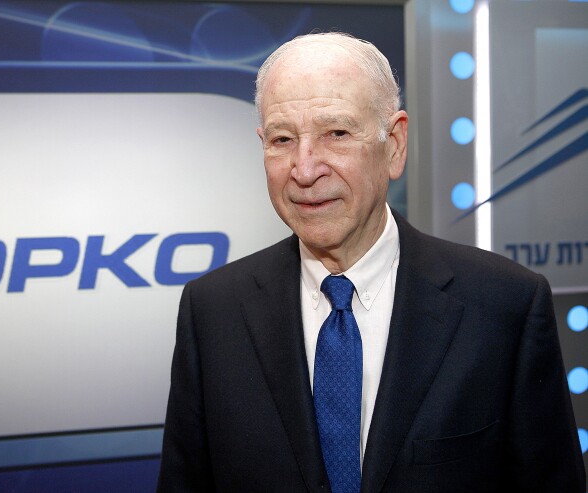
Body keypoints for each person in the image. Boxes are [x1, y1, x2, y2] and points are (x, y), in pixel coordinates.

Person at [156, 32, 585, 492]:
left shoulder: (505, 306)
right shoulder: (213, 310)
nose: (304, 170)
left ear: (394, 144)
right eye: (282, 139)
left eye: (336, 133)